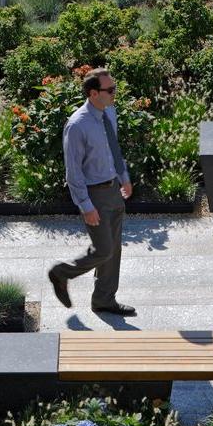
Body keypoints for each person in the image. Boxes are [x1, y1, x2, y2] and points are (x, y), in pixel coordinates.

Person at [48, 68, 136, 316]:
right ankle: (61, 273)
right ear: (93, 92)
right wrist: (85, 205)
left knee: (114, 249)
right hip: (94, 194)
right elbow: (73, 170)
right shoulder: (77, 125)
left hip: (113, 189)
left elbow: (113, 148)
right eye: (110, 90)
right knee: (104, 249)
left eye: (114, 88)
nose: (114, 93)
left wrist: (124, 177)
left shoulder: (109, 112)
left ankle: (104, 299)